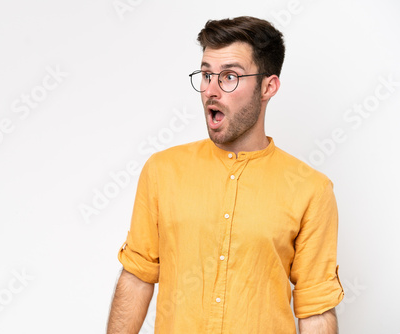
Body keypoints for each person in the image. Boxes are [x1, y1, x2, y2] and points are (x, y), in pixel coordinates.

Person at [107, 16, 344, 334]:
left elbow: (315, 310)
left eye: (229, 76)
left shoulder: (311, 190)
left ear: (268, 86)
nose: (211, 90)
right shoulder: (163, 171)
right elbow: (136, 278)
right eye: (206, 75)